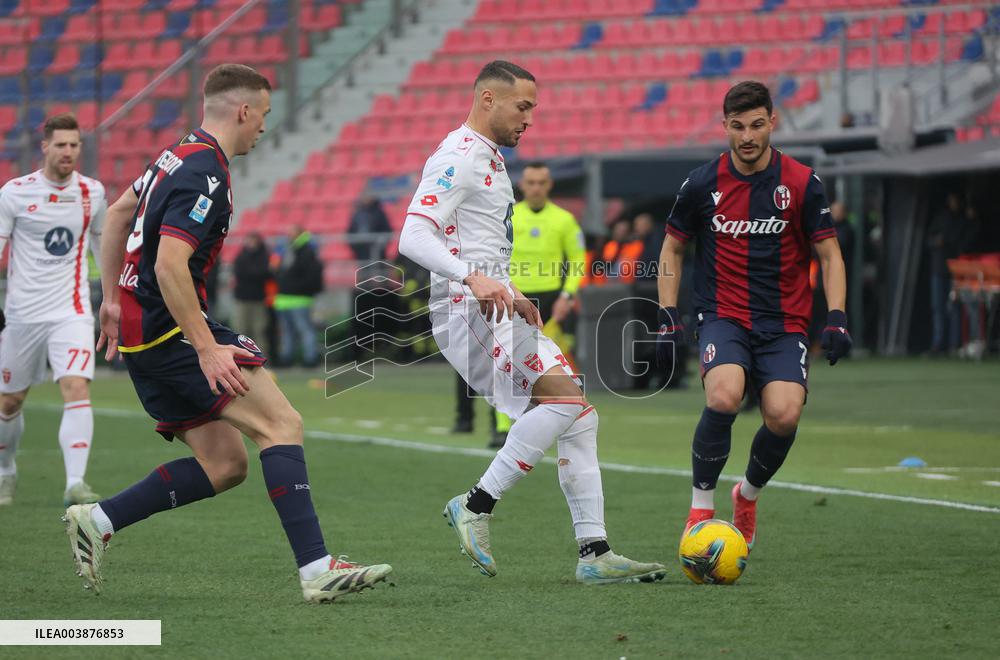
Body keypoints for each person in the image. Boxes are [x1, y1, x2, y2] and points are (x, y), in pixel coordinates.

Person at [63, 64, 392, 602]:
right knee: (282, 423)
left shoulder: (177, 153)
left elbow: (119, 212)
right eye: (263, 113)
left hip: (145, 335)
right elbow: (171, 265)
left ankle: (98, 520)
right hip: (171, 333)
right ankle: (316, 570)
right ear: (243, 110)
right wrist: (205, 346)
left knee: (225, 465)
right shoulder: (205, 174)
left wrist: (112, 301)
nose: (264, 125)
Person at [397, 60, 664, 584]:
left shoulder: (491, 159)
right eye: (523, 107)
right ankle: (475, 504)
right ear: (488, 100)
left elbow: (476, 241)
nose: (530, 119)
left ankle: (595, 552)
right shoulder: (459, 155)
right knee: (566, 402)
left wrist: (512, 290)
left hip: (492, 305)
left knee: (580, 414)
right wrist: (473, 278)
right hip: (465, 310)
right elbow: (413, 237)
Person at [656, 81, 851, 551]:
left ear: (772, 123)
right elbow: (672, 247)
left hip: (785, 323)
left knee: (783, 416)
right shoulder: (703, 182)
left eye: (757, 125)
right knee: (724, 396)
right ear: (725, 125)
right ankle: (701, 507)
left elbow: (830, 255)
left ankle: (747, 495)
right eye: (737, 126)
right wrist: (666, 314)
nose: (747, 136)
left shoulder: (802, 183)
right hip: (723, 315)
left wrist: (838, 316)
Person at [0, 113, 107, 507]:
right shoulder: (14, 193)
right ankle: (6, 471)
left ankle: (74, 484)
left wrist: (111, 300)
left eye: (74, 145)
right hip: (22, 315)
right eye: (60, 144)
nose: (68, 152)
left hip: (71, 310)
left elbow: (102, 247)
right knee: (9, 402)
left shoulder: (92, 193)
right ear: (44, 147)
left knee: (76, 387)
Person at [484, 161, 585, 447]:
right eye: (531, 182)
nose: (537, 187)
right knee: (505, 361)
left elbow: (577, 260)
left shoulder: (564, 220)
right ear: (523, 185)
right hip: (515, 296)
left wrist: (567, 295)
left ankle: (559, 419)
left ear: (549, 185)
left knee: (553, 363)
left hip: (552, 299)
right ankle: (503, 427)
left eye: (542, 182)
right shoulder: (510, 217)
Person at [273, 225, 322, 367]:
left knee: (304, 329)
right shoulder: (288, 249)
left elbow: (308, 275)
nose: (288, 234)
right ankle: (288, 358)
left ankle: (310, 358)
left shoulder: (306, 250)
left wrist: (296, 287)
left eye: (291, 231)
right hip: (284, 298)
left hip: (299, 298)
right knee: (288, 331)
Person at [232, 232, 271, 345]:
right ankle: (242, 357)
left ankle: (261, 357)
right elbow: (239, 273)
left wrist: (250, 273)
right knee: (240, 330)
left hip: (258, 298)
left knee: (259, 330)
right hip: (242, 297)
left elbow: (264, 273)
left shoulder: (264, 256)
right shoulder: (242, 255)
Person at [347, 194, 392, 262]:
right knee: (364, 269)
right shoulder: (357, 213)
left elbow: (387, 229)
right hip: (361, 250)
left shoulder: (379, 213)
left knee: (377, 270)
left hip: (377, 250)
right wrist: (355, 246)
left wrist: (380, 244)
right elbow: (351, 230)